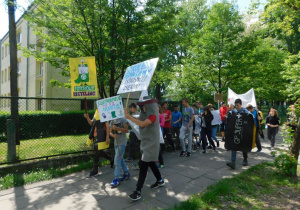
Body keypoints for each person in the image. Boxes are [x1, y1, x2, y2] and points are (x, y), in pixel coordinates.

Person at [125, 96, 164, 201]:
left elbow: (142, 123)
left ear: (149, 106)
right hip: (147, 143)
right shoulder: (145, 114)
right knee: (151, 163)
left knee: (143, 166)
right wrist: (128, 115)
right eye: (141, 107)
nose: (142, 108)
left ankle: (138, 191)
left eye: (143, 106)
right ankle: (160, 180)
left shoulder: (153, 116)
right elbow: (138, 119)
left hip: (152, 144)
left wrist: (129, 117)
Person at [84, 109, 112, 178]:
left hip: (101, 136)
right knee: (99, 152)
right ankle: (111, 159)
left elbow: (107, 125)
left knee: (95, 153)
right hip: (96, 136)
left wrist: (107, 137)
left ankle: (95, 171)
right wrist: (87, 117)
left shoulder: (104, 112)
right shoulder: (96, 113)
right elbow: (91, 123)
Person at [226, 99, 249, 169]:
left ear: (241, 104)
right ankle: (233, 162)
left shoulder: (245, 111)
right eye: (235, 105)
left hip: (243, 132)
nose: (237, 107)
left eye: (238, 105)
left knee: (243, 147)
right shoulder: (234, 111)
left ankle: (245, 159)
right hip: (236, 131)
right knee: (234, 146)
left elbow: (248, 120)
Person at [109, 118, 130, 187]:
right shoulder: (112, 120)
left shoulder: (123, 119)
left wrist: (117, 128)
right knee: (121, 158)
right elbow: (110, 132)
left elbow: (126, 130)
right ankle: (126, 173)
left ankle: (116, 178)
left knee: (117, 159)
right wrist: (113, 135)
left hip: (122, 143)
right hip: (116, 143)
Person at [158, 104, 165, 168]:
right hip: (154, 133)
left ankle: (162, 162)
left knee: (158, 147)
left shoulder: (161, 115)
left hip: (159, 132)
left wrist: (155, 124)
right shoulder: (153, 115)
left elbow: (162, 124)